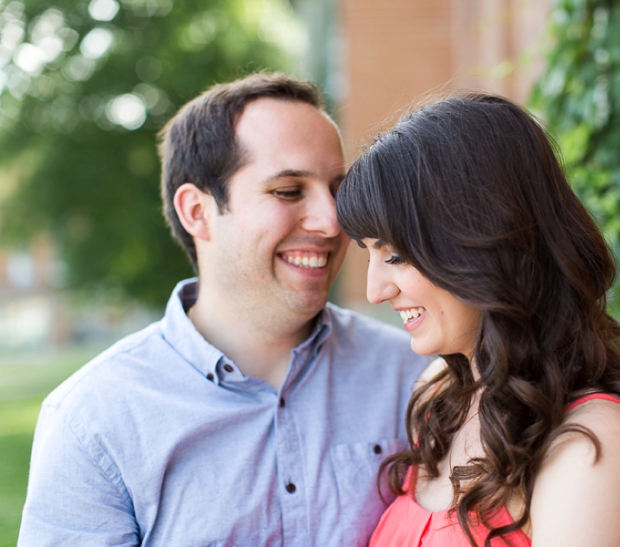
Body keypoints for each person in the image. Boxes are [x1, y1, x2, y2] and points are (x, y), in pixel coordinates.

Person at [19, 73, 429, 546]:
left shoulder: (415, 375)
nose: (333, 220)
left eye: (338, 188)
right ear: (197, 211)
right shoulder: (93, 421)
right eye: (289, 191)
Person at [335, 93, 620, 547]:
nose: (375, 291)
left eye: (395, 255)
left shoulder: (596, 441)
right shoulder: (440, 397)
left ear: (482, 242)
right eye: (370, 255)